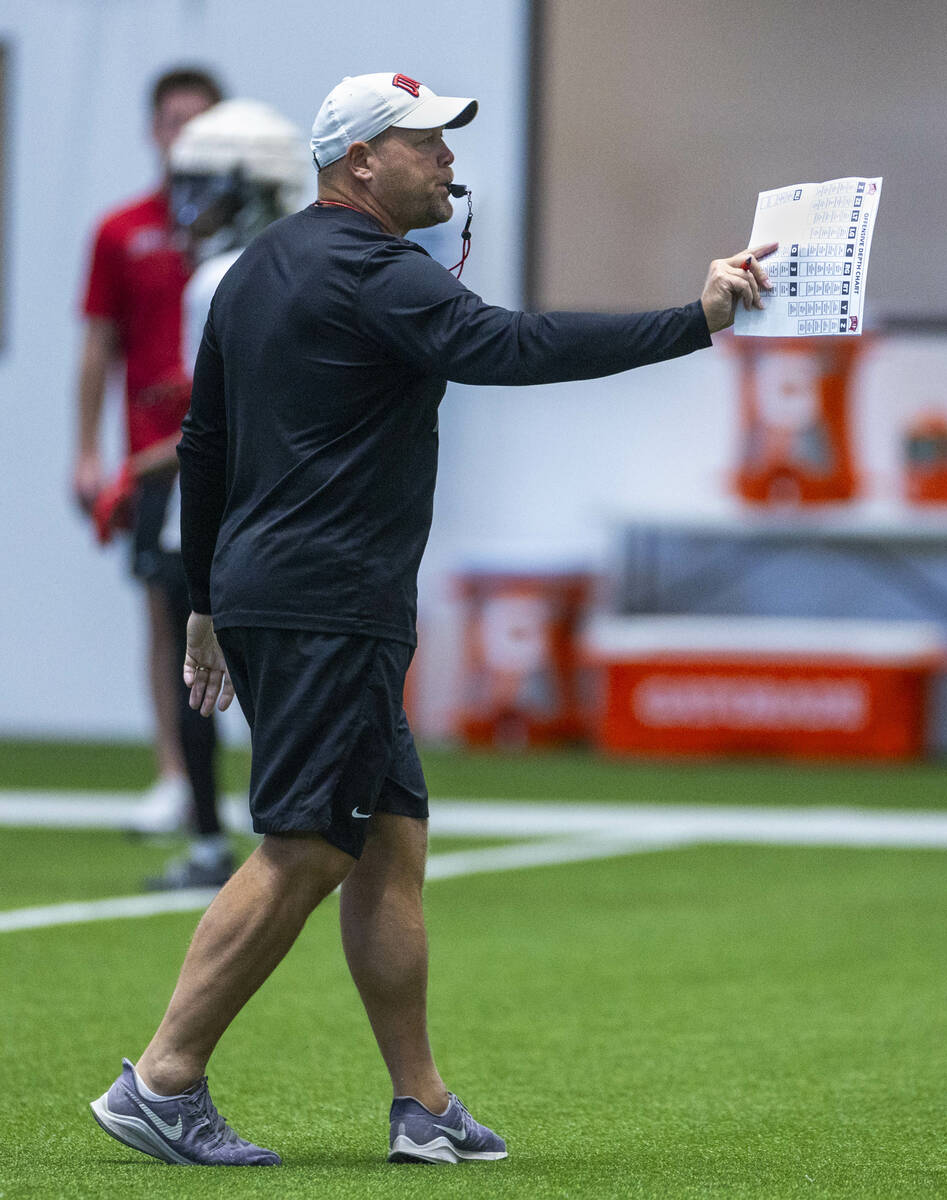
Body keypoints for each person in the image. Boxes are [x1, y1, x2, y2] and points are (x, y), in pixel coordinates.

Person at [90, 71, 774, 1168]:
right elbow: (513, 348)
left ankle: (422, 1105)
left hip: (274, 593)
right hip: (328, 605)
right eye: (427, 143)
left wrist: (209, 600)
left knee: (389, 843)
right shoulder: (377, 274)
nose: (450, 161)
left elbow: (205, 443)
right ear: (361, 160)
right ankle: (162, 1080)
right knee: (308, 846)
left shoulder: (256, 268)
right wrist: (693, 320)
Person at [128, 98, 312, 889]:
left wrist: (151, 465)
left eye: (207, 188)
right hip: (274, 507)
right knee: (265, 683)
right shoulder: (298, 262)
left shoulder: (216, 278)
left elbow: (215, 418)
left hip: (216, 509)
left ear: (253, 187)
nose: (190, 208)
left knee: (203, 675)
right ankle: (289, 835)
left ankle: (215, 842)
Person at [74, 65, 224, 836]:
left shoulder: (242, 239)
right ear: (152, 128)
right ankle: (177, 773)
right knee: (168, 616)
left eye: (200, 121)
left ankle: (275, 780)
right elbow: (98, 345)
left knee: (245, 611)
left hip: (233, 452)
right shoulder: (121, 230)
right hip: (154, 456)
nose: (184, 136)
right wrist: (87, 452)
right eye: (172, 120)